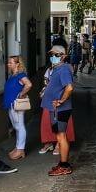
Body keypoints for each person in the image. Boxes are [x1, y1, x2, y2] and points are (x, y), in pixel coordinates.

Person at [41, 45, 75, 176]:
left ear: (63, 56)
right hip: (55, 109)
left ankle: (65, 166)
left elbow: (70, 87)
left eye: (56, 54)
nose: (52, 57)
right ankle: (62, 163)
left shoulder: (64, 69)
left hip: (60, 109)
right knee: (59, 136)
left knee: (61, 137)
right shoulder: (57, 69)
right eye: (51, 54)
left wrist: (61, 100)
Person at [4, 56, 33, 160]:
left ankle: (20, 150)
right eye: (8, 63)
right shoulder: (13, 75)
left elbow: (29, 84)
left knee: (19, 126)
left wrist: (21, 94)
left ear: (17, 64)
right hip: (11, 104)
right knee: (16, 126)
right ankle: (18, 148)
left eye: (10, 63)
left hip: (17, 104)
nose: (8, 64)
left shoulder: (20, 75)